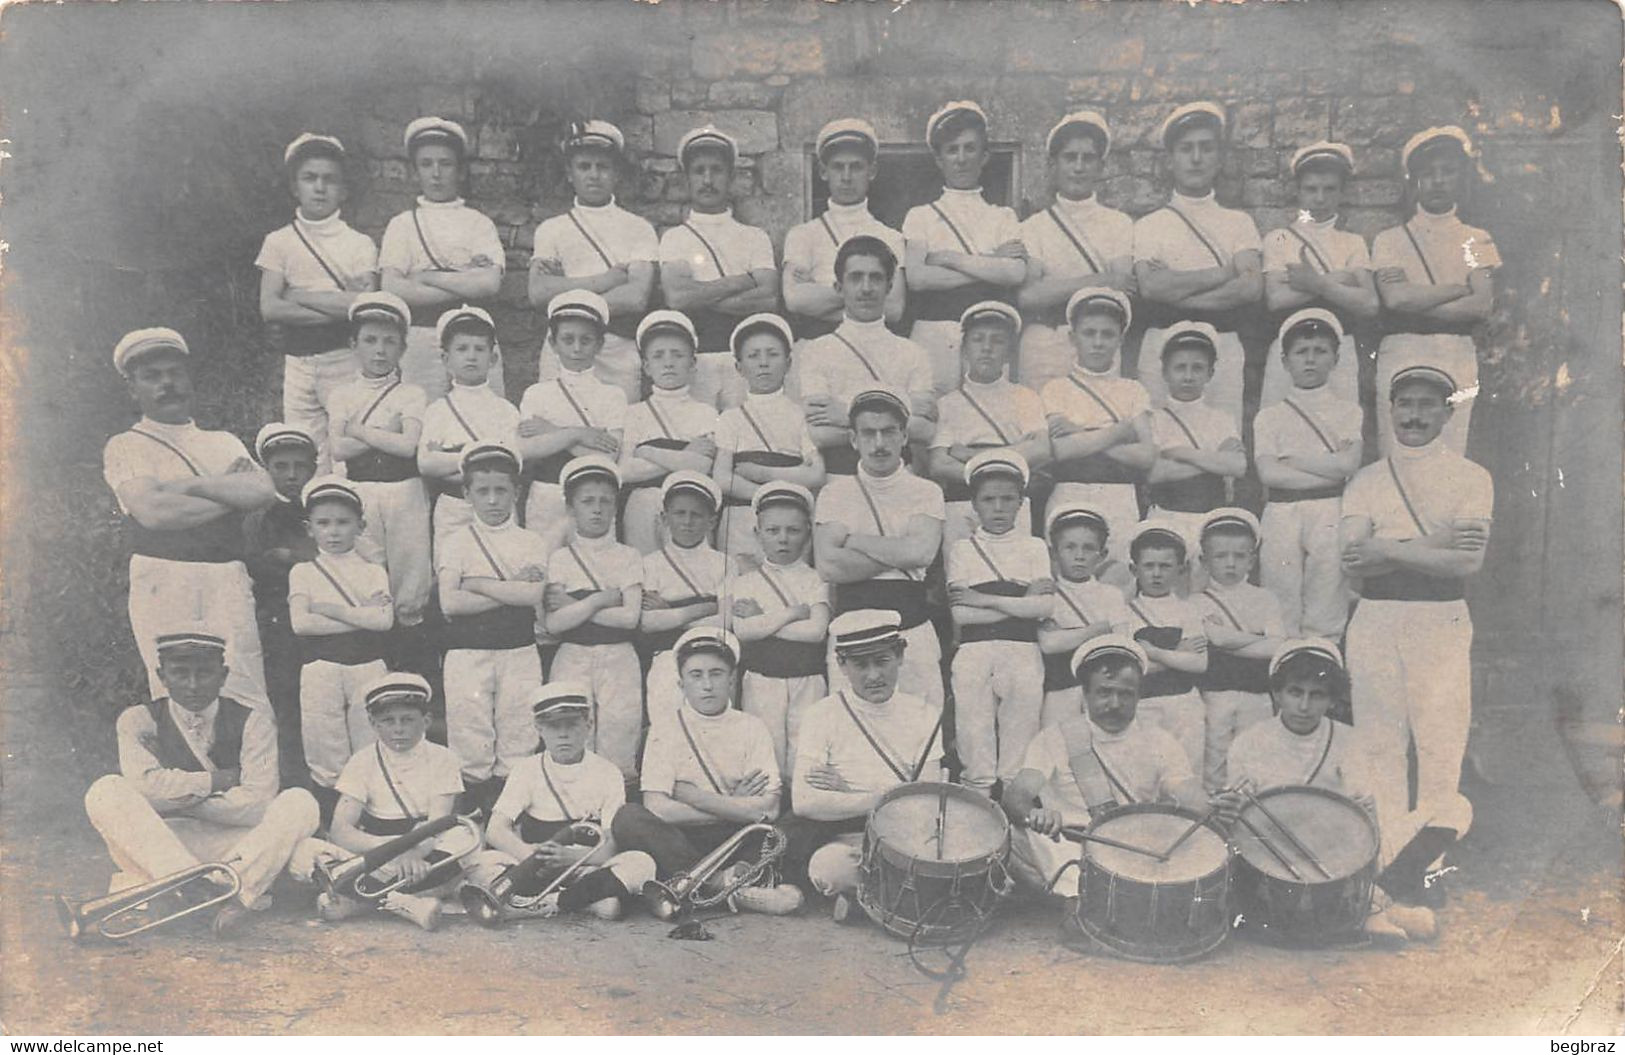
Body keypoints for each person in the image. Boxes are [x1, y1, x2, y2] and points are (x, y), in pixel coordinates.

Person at [1340, 364, 1492, 910]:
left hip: (1441, 620)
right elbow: (1355, 560)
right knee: (1380, 744)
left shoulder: (1471, 478)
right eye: (1405, 403)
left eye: (1428, 405)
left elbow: (1466, 564)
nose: (1414, 415)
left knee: (1439, 745)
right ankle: (1384, 867)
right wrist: (1435, 542)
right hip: (1377, 619)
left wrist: (1391, 547)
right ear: (1391, 409)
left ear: (1448, 413)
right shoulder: (1367, 480)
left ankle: (1425, 869)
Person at [83, 631, 320, 938]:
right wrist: (214, 781)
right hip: (161, 841)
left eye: (204, 673)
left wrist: (175, 797)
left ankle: (220, 893)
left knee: (300, 802)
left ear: (222, 675)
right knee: (106, 790)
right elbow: (141, 790)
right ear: (162, 676)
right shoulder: (138, 720)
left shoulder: (253, 720)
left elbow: (257, 804)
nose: (193, 685)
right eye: (181, 674)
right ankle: (198, 888)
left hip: (234, 841)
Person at [104, 328, 276, 707]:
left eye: (174, 373)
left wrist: (182, 487)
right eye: (152, 377)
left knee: (244, 689)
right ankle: (191, 771)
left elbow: (262, 491)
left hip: (225, 575)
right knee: (176, 692)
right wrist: (229, 494)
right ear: (133, 389)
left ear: (188, 377)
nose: (167, 384)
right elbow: (154, 512)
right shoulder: (127, 445)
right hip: (163, 578)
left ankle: (254, 770)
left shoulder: (223, 442)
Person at [1228, 639, 1442, 941]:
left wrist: (1366, 813)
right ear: (1277, 694)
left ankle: (1375, 903)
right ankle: (1373, 913)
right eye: (1295, 692)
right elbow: (1242, 822)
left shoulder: (1349, 740)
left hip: (1337, 853)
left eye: (1317, 696)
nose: (1304, 706)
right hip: (1275, 857)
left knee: (1454, 808)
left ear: (1331, 700)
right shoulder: (1249, 742)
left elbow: (1360, 813)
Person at [611, 627, 805, 916]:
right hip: (683, 838)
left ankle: (704, 882)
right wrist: (734, 805)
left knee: (796, 818)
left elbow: (770, 809)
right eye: (696, 675)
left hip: (740, 836)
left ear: (732, 680)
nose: (707, 685)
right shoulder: (664, 730)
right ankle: (728, 886)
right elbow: (658, 808)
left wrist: (693, 796)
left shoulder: (752, 726)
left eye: (716, 674)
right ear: (681, 684)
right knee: (628, 817)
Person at [999, 635, 1205, 896]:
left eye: (1125, 694)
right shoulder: (1055, 738)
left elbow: (1189, 793)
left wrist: (1205, 808)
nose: (1115, 704)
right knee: (1014, 837)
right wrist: (1035, 815)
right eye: (1104, 692)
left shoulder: (1160, 741)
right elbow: (1017, 794)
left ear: (1139, 696)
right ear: (1085, 694)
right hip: (1068, 841)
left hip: (1133, 846)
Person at [785, 610, 945, 920]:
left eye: (882, 661)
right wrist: (887, 796)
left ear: (900, 656)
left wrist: (847, 791)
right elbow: (804, 803)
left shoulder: (924, 714)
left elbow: (924, 802)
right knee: (829, 869)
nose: (873, 676)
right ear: (842, 665)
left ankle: (866, 901)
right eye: (861, 664)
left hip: (906, 839)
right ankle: (894, 900)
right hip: (847, 840)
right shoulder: (822, 715)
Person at [460, 685, 656, 921]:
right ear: (539, 729)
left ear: (588, 726)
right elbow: (495, 829)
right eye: (554, 726)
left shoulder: (608, 772)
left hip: (585, 865)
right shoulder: (526, 769)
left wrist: (572, 858)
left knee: (641, 864)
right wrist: (529, 856)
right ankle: (586, 902)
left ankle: (549, 903)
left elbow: (612, 842)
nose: (563, 735)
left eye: (572, 724)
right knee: (480, 863)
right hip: (536, 864)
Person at [814, 388, 947, 712]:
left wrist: (855, 540)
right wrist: (899, 550)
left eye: (888, 432)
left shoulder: (925, 491)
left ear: (903, 436)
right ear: (853, 439)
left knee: (919, 729)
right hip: (851, 630)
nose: (879, 443)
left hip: (911, 629)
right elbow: (829, 566)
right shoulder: (834, 493)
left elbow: (921, 553)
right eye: (868, 433)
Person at [1133, 102, 1262, 431]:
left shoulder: (1238, 223)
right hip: (1162, 346)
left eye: (1206, 148)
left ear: (1218, 159)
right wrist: (1223, 273)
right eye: (1186, 149)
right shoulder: (1150, 225)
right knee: (1161, 444)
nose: (1196, 158)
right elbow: (1151, 287)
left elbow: (1250, 286)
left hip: (1222, 347)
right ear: (1171, 160)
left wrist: (1179, 292)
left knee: (1220, 440)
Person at [1371, 126, 1501, 454]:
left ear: (1460, 178)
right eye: (1428, 174)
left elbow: (1481, 305)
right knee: (1398, 448)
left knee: (1450, 450)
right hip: (1402, 349)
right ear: (1413, 181)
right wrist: (1459, 288)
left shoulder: (1475, 238)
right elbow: (1396, 298)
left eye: (1447, 172)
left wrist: (1419, 299)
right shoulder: (1390, 240)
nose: (1438, 181)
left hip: (1455, 351)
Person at [311, 672, 476, 930]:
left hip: (426, 848)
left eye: (408, 720)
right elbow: (341, 830)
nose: (398, 729)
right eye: (388, 721)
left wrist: (413, 852)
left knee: (466, 837)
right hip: (378, 850)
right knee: (309, 850)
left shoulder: (443, 758)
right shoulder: (362, 761)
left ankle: (359, 900)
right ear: (373, 724)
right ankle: (407, 902)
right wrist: (394, 851)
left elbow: (438, 823)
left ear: (426, 721)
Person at [437, 444, 550, 813]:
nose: (492, 500)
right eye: (482, 491)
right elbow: (450, 603)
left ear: (516, 492)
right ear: (467, 494)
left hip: (518, 650)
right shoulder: (455, 542)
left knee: (518, 732)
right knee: (471, 735)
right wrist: (509, 589)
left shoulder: (531, 541)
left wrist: (478, 584)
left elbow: (532, 593)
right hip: (467, 653)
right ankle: (472, 816)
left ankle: (511, 815)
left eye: (501, 490)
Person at [255, 133, 378, 473]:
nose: (320, 188)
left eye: (330, 179)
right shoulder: (279, 242)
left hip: (344, 359)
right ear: (295, 187)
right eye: (310, 178)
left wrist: (299, 295)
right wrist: (337, 305)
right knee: (305, 453)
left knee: (347, 451)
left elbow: (364, 308)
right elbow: (270, 308)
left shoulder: (359, 244)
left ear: (343, 190)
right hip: (298, 363)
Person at [947, 451, 1054, 795]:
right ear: (974, 505)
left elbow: (1045, 606)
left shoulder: (1034, 547)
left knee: (1019, 741)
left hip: (1022, 650)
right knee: (974, 735)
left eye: (1007, 499)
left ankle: (1015, 809)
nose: (998, 508)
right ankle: (978, 807)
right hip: (975, 651)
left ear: (1021, 503)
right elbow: (962, 615)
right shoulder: (963, 549)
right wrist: (1021, 601)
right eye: (988, 500)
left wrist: (986, 599)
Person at [903, 100, 1027, 396]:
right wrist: (989, 264)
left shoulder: (1002, 216)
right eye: (952, 150)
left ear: (984, 156)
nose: (961, 158)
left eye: (970, 149)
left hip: (987, 336)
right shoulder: (920, 216)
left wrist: (949, 258)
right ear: (939, 159)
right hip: (934, 333)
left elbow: (1015, 273)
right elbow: (918, 278)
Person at [528, 120, 658, 402]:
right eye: (584, 166)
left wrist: (564, 288)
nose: (594, 175)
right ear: (570, 173)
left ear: (616, 173)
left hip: (616, 348)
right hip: (563, 348)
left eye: (603, 167)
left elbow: (636, 297)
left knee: (616, 433)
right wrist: (608, 280)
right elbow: (538, 293)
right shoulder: (552, 229)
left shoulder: (639, 228)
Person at [1253, 308, 1363, 638]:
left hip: (1330, 509)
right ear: (1285, 361)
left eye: (1320, 351)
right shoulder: (1269, 416)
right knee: (1280, 593)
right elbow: (1269, 474)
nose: (1311, 360)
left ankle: (1322, 662)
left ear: (1335, 358)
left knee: (1327, 592)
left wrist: (1292, 459)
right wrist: (1326, 463)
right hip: (1282, 512)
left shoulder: (1347, 412)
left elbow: (1348, 466)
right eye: (1302, 352)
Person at [325, 292, 433, 629]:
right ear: (353, 344)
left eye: (390, 342)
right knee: (366, 564)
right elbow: (338, 449)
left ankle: (410, 645)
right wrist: (384, 433)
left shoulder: (411, 394)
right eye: (370, 340)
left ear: (403, 348)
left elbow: (407, 446)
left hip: (404, 491)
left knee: (410, 571)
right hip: (359, 490)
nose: (380, 350)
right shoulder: (341, 394)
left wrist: (359, 430)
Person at [379, 117, 506, 401]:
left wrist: (425, 277)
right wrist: (463, 278)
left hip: (473, 338)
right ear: (415, 172)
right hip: (421, 338)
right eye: (426, 164)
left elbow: (488, 285)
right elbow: (392, 288)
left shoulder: (478, 223)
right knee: (424, 421)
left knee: (481, 416)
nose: (436, 173)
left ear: (460, 170)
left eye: (445, 164)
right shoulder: (402, 225)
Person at [657, 126, 780, 409]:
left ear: (732, 177)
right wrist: (742, 281)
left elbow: (768, 299)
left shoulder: (754, 237)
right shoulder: (675, 238)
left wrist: (701, 295)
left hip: (745, 362)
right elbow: (678, 298)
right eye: (699, 171)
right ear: (687, 179)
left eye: (717, 170)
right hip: (697, 359)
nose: (708, 180)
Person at [288, 478, 393, 804]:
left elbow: (383, 621)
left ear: (360, 526)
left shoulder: (373, 571)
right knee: (324, 743)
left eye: (343, 522)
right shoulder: (303, 571)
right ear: (310, 528)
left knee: (369, 740)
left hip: (367, 666)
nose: (333, 532)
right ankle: (331, 813)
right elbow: (301, 623)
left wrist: (330, 609)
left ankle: (370, 811)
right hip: (321, 667)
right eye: (323, 523)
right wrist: (360, 614)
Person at [797, 236, 937, 476]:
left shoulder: (913, 353)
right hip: (839, 478)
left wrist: (844, 413)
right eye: (855, 277)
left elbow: (924, 430)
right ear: (839, 287)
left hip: (901, 477)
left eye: (876, 278)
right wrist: (903, 407)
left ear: (890, 286)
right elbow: (818, 434)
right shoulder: (817, 351)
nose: (866, 288)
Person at [544, 455, 645, 785]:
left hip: (619, 658)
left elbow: (630, 618)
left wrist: (576, 605)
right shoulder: (560, 558)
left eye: (605, 501)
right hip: (572, 655)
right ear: (571, 509)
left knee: (619, 731)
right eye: (588, 501)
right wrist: (603, 598)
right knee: (572, 734)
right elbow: (555, 624)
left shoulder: (628, 557)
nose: (597, 509)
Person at [1017, 111, 1136, 393]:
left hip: (1099, 344)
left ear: (1101, 166)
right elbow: (1029, 295)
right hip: (1044, 344)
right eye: (1070, 158)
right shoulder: (1034, 226)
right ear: (1053, 165)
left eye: (1088, 158)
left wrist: (1057, 287)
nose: (1079, 167)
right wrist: (1099, 281)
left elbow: (1122, 289)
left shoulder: (1119, 224)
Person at [1040, 288, 1156, 567]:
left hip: (1120, 497)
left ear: (1121, 339)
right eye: (1089, 333)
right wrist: (1118, 431)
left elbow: (1146, 455)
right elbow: (1059, 451)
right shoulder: (1056, 389)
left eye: (1108, 334)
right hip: (1069, 493)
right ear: (1072, 337)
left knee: (1118, 580)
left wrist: (1079, 432)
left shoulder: (1133, 390)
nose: (1098, 342)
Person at [1259, 141, 1377, 410]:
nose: (1320, 198)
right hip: (1289, 347)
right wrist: (1341, 280)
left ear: (1341, 193)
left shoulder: (1352, 242)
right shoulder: (1279, 239)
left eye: (1329, 189)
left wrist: (1315, 283)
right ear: (1298, 192)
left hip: (1339, 350)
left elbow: (1369, 303)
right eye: (1311, 189)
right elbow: (1276, 299)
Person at [926, 301, 1051, 547]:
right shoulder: (948, 403)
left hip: (1012, 503)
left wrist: (968, 455)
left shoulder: (1025, 397)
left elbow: (1041, 450)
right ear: (963, 350)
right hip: (962, 501)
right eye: (978, 339)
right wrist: (1013, 455)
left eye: (997, 341)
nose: (987, 348)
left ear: (1008, 352)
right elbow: (939, 465)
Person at [729, 482, 832, 774]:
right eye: (773, 531)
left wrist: (765, 618)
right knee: (765, 753)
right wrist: (792, 613)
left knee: (805, 755)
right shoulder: (746, 582)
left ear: (808, 535)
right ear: (757, 534)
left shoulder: (816, 579)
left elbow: (816, 632)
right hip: (763, 679)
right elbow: (744, 631)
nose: (783, 539)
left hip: (807, 679)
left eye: (793, 531)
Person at [712, 313, 826, 562]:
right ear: (739, 367)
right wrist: (764, 496)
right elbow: (722, 477)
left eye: (772, 355)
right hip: (741, 520)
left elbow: (816, 473)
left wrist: (765, 475)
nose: (763, 363)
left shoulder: (800, 415)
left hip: (789, 521)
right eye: (753, 356)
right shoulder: (731, 418)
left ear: (788, 363)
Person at [781, 119, 907, 342]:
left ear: (872, 171)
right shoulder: (803, 235)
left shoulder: (891, 237)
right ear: (823, 171)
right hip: (817, 344)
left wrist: (818, 291)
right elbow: (794, 299)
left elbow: (895, 308)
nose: (847, 177)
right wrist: (868, 299)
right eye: (838, 167)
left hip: (874, 345)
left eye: (856, 167)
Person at [243, 423, 319, 788]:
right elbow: (257, 565)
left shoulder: (322, 511)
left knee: (319, 705)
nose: (291, 475)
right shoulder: (259, 516)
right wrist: (296, 560)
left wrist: (293, 557)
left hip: (321, 621)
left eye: (299, 467)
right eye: (281, 467)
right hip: (278, 622)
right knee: (285, 703)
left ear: (313, 469)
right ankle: (290, 783)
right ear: (267, 470)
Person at [516, 290, 628, 533]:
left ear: (599, 344)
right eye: (568, 340)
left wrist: (552, 432)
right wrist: (577, 434)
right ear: (553, 343)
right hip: (546, 494)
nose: (576, 349)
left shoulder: (613, 395)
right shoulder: (536, 394)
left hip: (593, 499)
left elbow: (607, 458)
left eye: (586, 340)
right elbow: (526, 449)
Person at [1191, 508, 1286, 792]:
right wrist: (1254, 639)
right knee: (1215, 758)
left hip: (1257, 694)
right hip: (1214, 694)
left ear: (1252, 560)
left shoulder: (1265, 598)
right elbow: (1213, 641)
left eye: (1240, 556)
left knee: (1255, 757)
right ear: (1204, 561)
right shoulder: (1196, 601)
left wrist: (1225, 639)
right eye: (1220, 556)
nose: (1230, 564)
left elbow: (1278, 646)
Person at [1143, 322, 1247, 574]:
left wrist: (1181, 453)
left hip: (1209, 519)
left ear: (1210, 374)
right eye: (1180, 367)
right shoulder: (1152, 419)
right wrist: (1213, 461)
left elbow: (1238, 466)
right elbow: (1154, 472)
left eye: (1197, 368)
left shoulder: (1221, 419)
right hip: (1166, 517)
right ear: (1165, 372)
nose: (1188, 376)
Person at [416, 305, 520, 551]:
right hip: (453, 507)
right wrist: (483, 455)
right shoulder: (437, 410)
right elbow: (426, 464)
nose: (471, 356)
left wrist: (451, 456)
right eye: (462, 349)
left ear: (493, 358)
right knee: (452, 571)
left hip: (499, 508)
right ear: (445, 358)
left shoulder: (505, 410)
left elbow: (511, 464)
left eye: (479, 349)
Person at [619, 309, 721, 554]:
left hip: (690, 507)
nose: (668, 362)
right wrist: (684, 454)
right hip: (641, 505)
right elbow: (625, 470)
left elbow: (702, 467)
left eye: (677, 355)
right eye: (658, 355)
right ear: (646, 366)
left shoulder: (706, 413)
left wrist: (647, 451)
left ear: (693, 363)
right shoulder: (634, 413)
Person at [640, 471, 728, 731]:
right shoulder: (650, 564)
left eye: (696, 515)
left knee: (711, 730)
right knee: (666, 728)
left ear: (711, 521)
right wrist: (708, 606)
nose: (687, 522)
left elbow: (725, 621)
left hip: (712, 659)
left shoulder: (723, 564)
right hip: (666, 658)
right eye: (679, 514)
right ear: (665, 518)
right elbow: (648, 623)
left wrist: (671, 612)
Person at [1121, 521, 1209, 771]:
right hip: (1143, 705)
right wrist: (1177, 655)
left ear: (1181, 570)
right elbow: (1130, 670)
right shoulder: (1124, 613)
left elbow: (1199, 663)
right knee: (1144, 771)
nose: (1157, 574)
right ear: (1134, 569)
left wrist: (1153, 652)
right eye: (1149, 566)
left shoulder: (1188, 610)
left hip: (1184, 705)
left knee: (1185, 770)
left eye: (1165, 566)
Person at [1036, 502, 1132, 729]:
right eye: (1069, 547)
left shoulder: (1111, 595)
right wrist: (1097, 630)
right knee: (1057, 748)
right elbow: (1049, 643)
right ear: (1054, 552)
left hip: (1103, 691)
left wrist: (1068, 636)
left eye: (1088, 548)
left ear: (1102, 554)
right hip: (1060, 690)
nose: (1079, 556)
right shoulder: (1048, 594)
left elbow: (1121, 644)